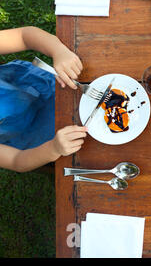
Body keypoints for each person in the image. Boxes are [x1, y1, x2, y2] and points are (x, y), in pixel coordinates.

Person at [0, 26, 87, 172]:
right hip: (43, 134)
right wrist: (53, 148)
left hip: (44, 85)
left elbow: (24, 36)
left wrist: (58, 50)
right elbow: (17, 160)